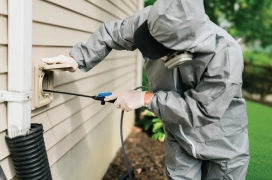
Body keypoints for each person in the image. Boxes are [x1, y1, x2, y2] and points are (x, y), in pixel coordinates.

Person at [42, 0, 250, 179]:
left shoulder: (225, 54)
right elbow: (111, 33)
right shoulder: (152, 19)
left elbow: (203, 110)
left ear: (182, 50)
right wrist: (76, 59)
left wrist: (145, 99)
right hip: (179, 134)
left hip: (222, 142)